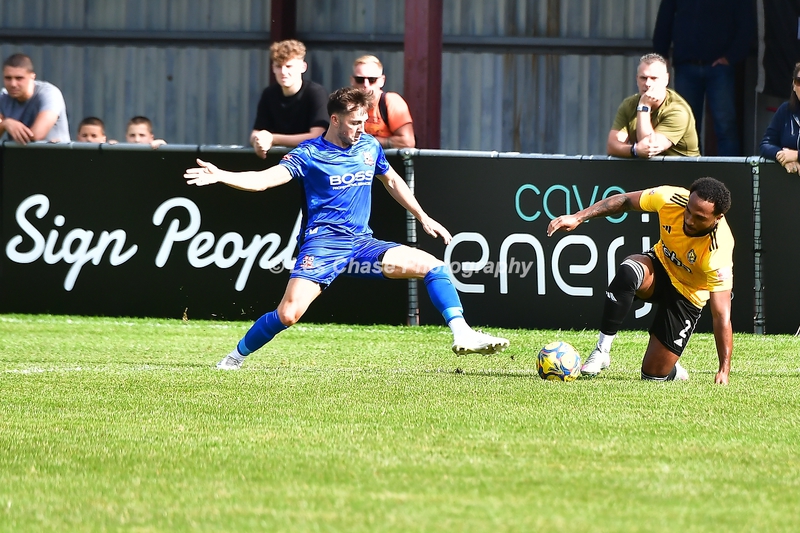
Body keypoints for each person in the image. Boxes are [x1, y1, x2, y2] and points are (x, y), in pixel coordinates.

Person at [185, 87, 509, 370]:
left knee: (432, 266)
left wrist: (422, 217)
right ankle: (234, 358)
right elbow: (264, 181)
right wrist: (222, 175)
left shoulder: (368, 146)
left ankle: (463, 333)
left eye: (364, 121)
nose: (361, 129)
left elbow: (391, 180)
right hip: (323, 246)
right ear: (335, 120)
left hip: (362, 245)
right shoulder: (310, 153)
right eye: (355, 123)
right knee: (288, 314)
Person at [546, 177, 733, 384]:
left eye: (699, 218)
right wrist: (578, 217)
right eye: (688, 211)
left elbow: (721, 315)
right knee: (629, 271)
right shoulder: (670, 198)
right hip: (660, 267)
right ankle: (602, 351)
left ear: (717, 217)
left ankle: (671, 369)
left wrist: (723, 369)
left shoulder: (719, 250)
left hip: (688, 295)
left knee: (652, 375)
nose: (689, 220)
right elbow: (625, 200)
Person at [653, 0, 754, 156]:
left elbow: (746, 23)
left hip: (720, 68)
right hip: (686, 65)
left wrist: (731, 57)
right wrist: (661, 55)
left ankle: (730, 170)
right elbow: (664, 19)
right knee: (685, 126)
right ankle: (689, 170)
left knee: (726, 127)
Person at [607, 53, 699, 159]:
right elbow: (612, 146)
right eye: (643, 78)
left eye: (654, 78)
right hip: (646, 169)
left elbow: (649, 148)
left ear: (666, 79)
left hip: (682, 168)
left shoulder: (678, 111)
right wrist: (634, 150)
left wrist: (644, 106)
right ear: (637, 79)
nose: (648, 83)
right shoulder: (629, 105)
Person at [250, 39, 329, 159]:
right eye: (278, 66)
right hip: (278, 160)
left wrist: (273, 139)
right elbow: (256, 133)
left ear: (303, 67)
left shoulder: (316, 93)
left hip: (310, 160)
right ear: (273, 68)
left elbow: (317, 136)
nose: (283, 72)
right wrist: (258, 141)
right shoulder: (269, 94)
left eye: (289, 66)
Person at [0, 53, 70, 143]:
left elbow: (36, 135)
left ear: (32, 77)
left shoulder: (49, 94)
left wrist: (5, 123)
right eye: (8, 78)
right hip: (21, 152)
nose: (13, 84)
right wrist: (5, 123)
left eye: (19, 78)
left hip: (54, 152)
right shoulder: (3, 97)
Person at [350, 55, 415, 149]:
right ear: (352, 81)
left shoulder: (391, 102)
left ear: (382, 81)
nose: (366, 84)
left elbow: (407, 142)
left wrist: (368, 141)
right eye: (360, 80)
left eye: (372, 80)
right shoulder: (347, 105)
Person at [760, 62, 800, 173]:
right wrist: (782, 156)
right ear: (794, 85)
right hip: (788, 180)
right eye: (799, 81)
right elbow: (766, 144)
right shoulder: (785, 110)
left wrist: (796, 155)